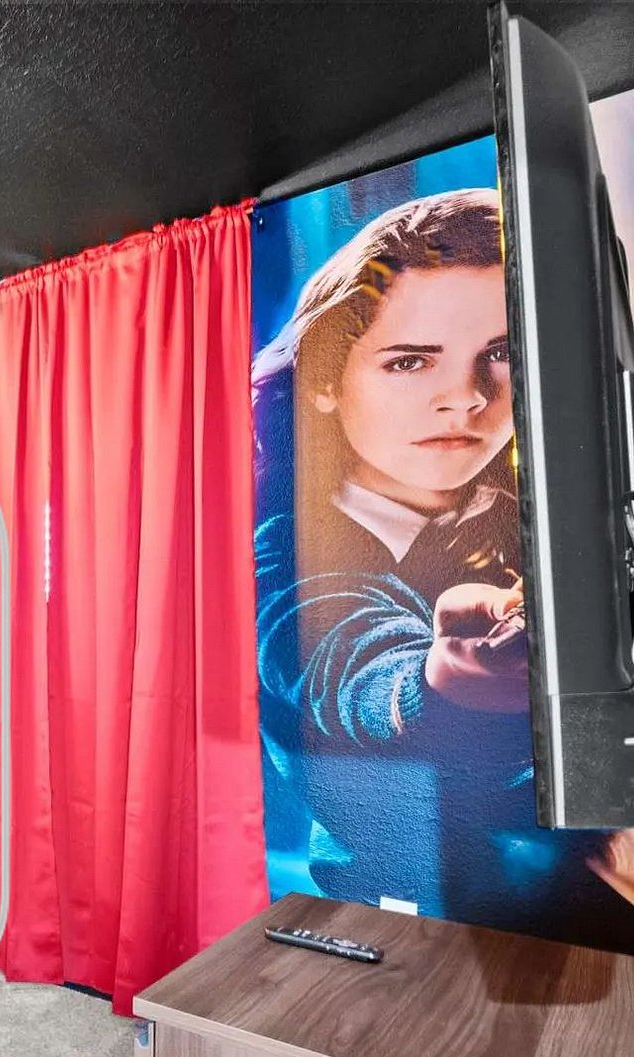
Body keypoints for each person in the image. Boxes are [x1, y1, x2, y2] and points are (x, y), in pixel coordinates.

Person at [253, 187, 632, 946]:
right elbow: (345, 666)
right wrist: (441, 681)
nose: (464, 399)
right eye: (410, 361)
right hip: (419, 935)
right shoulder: (286, 549)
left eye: (500, 353)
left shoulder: (541, 505)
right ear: (325, 380)